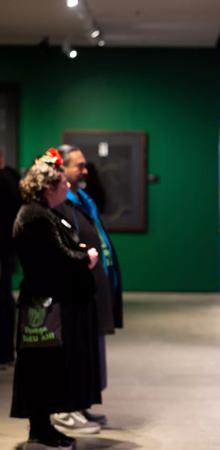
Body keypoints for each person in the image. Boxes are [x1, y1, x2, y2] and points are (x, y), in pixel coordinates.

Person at [11, 148, 101, 449]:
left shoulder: (44, 213)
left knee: (49, 369)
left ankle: (45, 427)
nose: (67, 187)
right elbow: (55, 259)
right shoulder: (35, 216)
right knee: (42, 370)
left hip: (51, 303)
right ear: (48, 187)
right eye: (62, 183)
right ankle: (40, 429)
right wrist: (85, 257)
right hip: (42, 306)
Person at [50, 144, 123, 433]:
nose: (85, 170)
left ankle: (80, 403)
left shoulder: (82, 199)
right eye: (78, 165)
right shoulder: (58, 204)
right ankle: (67, 407)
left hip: (93, 285)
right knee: (74, 349)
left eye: (84, 165)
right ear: (61, 169)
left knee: (88, 350)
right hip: (75, 290)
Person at [0, 149, 21, 367]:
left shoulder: (7, 181)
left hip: (4, 249)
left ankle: (5, 352)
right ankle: (7, 352)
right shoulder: (14, 178)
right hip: (9, 250)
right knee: (5, 298)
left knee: (3, 299)